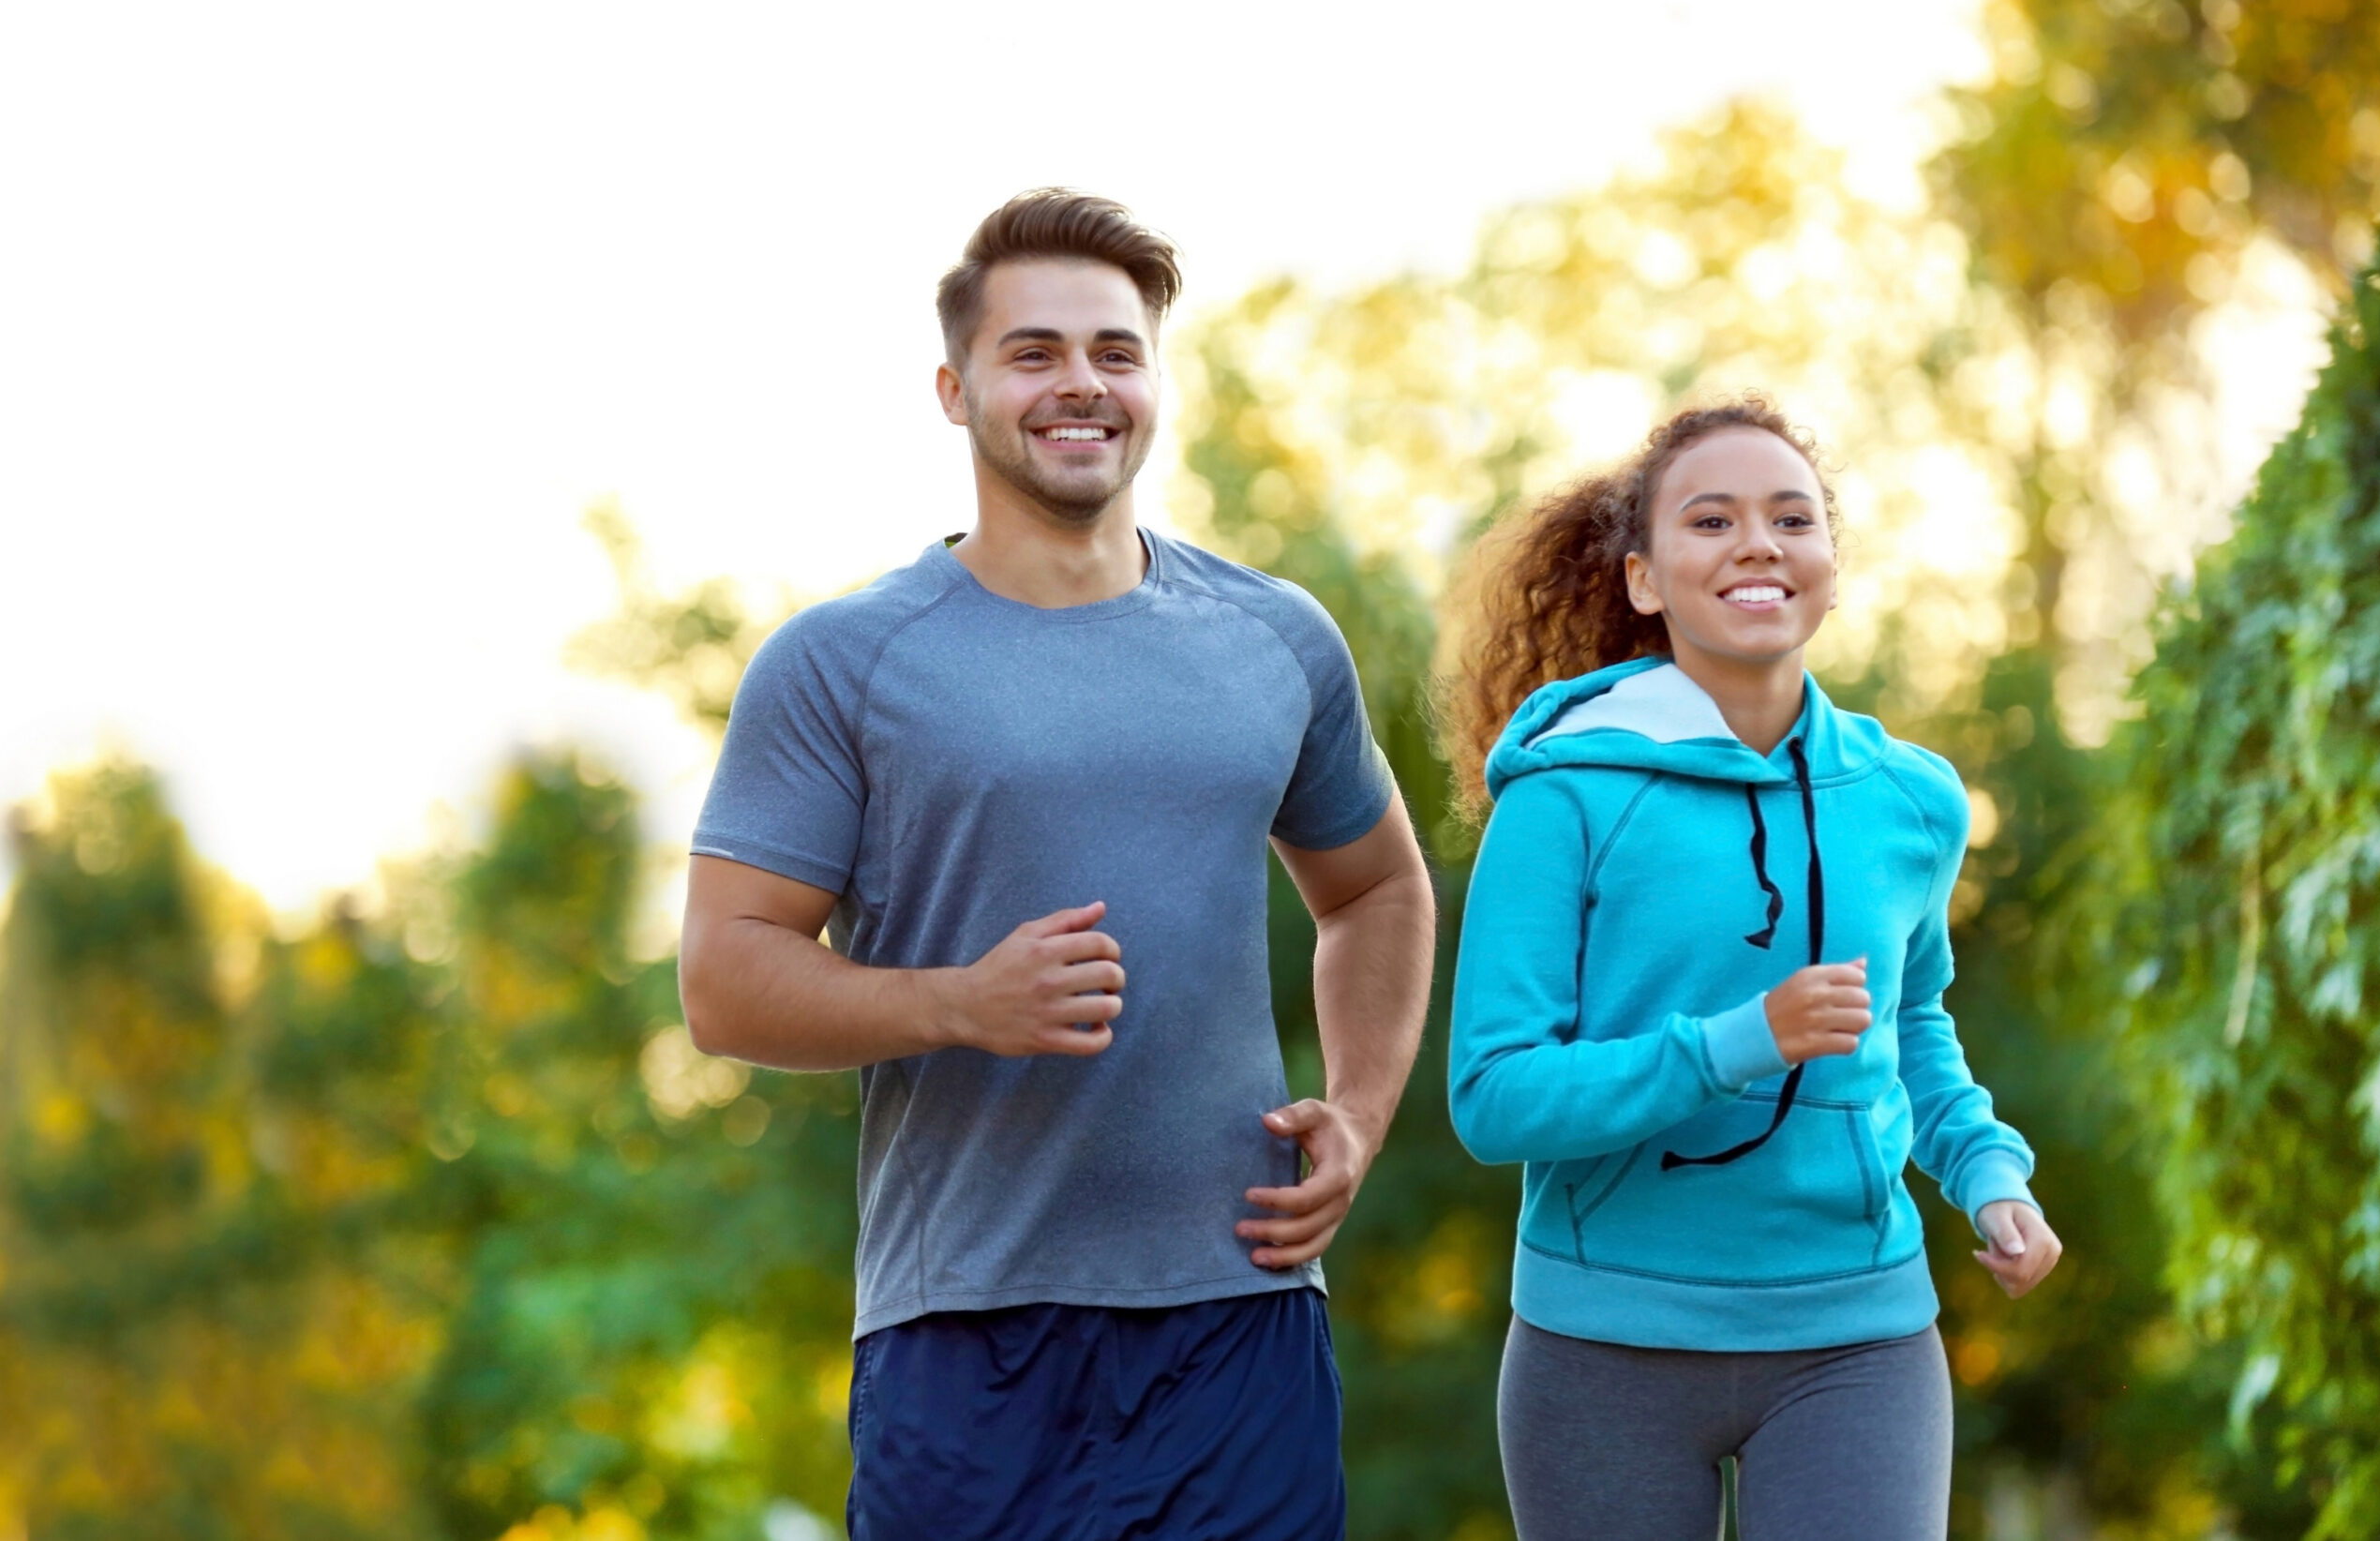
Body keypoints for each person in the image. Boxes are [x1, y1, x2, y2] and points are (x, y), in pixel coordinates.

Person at [679, 188, 1436, 1541]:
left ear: (1153, 380)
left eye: (1116, 350)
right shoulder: (846, 661)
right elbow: (724, 984)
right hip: (967, 1333)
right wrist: (957, 1004)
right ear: (954, 389)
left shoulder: (1276, 639)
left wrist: (1362, 1109)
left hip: (1239, 1316)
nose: (1081, 383)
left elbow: (1376, 887)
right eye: (1034, 352)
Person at [1442, 396, 2062, 1540]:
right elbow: (1492, 1096)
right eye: (1711, 521)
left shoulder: (1911, 800)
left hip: (1860, 1339)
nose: (1758, 545)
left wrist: (1986, 1173)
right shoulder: (1564, 797)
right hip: (1604, 1345)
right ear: (1642, 579)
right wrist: (1741, 1041)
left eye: (1792, 518)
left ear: (1830, 563)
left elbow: (1911, 1027)